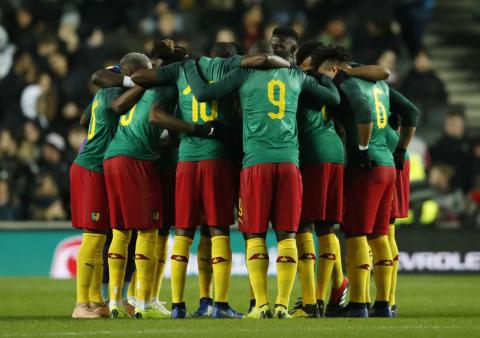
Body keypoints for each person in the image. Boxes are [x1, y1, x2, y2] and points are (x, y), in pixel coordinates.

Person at [183, 35, 340, 319]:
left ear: (253, 57)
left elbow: (204, 95)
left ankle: (262, 306)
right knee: (287, 234)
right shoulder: (295, 75)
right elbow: (332, 98)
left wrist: (191, 66)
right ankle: (282, 305)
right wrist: (321, 76)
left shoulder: (244, 73)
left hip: (256, 163)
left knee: (254, 233)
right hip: (290, 163)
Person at [131, 41, 290, 319]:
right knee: (218, 230)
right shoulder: (232, 67)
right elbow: (260, 60)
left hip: (186, 160)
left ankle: (178, 306)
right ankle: (220, 304)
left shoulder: (182, 69)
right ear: (232, 57)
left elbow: (140, 77)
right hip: (217, 158)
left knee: (182, 232)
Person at [315, 46, 419, 317]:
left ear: (334, 68)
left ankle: (358, 303)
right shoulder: (378, 85)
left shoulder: (346, 83)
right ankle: (384, 303)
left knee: (356, 233)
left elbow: (362, 111)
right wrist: (400, 149)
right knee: (379, 233)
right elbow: (411, 112)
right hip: (386, 163)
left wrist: (361, 149)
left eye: (324, 72)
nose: (323, 77)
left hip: (367, 165)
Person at [291, 43, 390, 318]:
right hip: (340, 153)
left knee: (310, 224)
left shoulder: (312, 80)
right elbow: (385, 75)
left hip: (320, 156)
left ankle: (314, 301)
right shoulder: (338, 80)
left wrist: (361, 148)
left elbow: (365, 105)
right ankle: (374, 300)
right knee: (329, 226)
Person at [70, 53, 150, 319]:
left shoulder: (106, 90)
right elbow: (101, 81)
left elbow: (84, 121)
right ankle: (81, 305)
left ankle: (95, 300)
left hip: (95, 166)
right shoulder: (118, 91)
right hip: (92, 167)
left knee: (101, 236)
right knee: (93, 238)